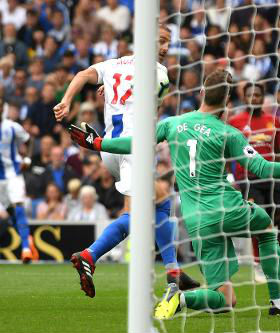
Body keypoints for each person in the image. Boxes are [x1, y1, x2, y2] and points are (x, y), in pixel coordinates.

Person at [69, 69, 280, 317]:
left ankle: (180, 298)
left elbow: (136, 142)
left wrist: (98, 143)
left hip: (197, 220)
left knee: (223, 298)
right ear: (228, 102)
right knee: (265, 229)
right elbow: (262, 168)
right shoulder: (229, 133)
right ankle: (277, 303)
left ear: (202, 92)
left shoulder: (173, 123)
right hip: (228, 207)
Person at [53, 24, 199, 298]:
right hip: (133, 147)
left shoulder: (112, 65)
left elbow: (84, 75)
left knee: (157, 204)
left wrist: (67, 100)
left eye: (168, 42)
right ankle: (90, 254)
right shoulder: (160, 72)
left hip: (109, 148)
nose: (166, 48)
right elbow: (152, 105)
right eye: (162, 41)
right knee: (149, 210)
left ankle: (173, 271)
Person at [228, 82, 280, 284]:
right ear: (244, 97)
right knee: (260, 222)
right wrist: (231, 179)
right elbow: (227, 153)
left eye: (257, 95)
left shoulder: (273, 121)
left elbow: (279, 152)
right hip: (248, 179)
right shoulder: (234, 122)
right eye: (250, 95)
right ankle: (258, 267)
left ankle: (278, 271)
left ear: (263, 98)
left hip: (272, 178)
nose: (253, 98)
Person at [0, 116, 38, 263]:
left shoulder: (11, 127)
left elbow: (29, 141)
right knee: (9, 214)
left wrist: (27, 159)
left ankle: (25, 250)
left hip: (13, 174)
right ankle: (27, 240)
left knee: (18, 208)